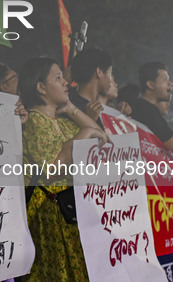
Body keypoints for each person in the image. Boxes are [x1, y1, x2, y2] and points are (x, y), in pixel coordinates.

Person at [19, 57, 107, 281]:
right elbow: (52, 169)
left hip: (74, 210)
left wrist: (73, 109)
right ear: (40, 87)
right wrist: (84, 135)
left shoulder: (64, 120)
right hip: (53, 213)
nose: (66, 82)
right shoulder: (36, 120)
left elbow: (101, 136)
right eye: (58, 78)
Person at [130, 62, 173, 152]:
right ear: (151, 84)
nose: (171, 84)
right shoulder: (145, 108)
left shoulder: (144, 107)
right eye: (165, 80)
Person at [69, 47, 113, 125]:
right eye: (110, 73)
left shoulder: (70, 102)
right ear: (99, 72)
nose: (111, 80)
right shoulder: (70, 108)